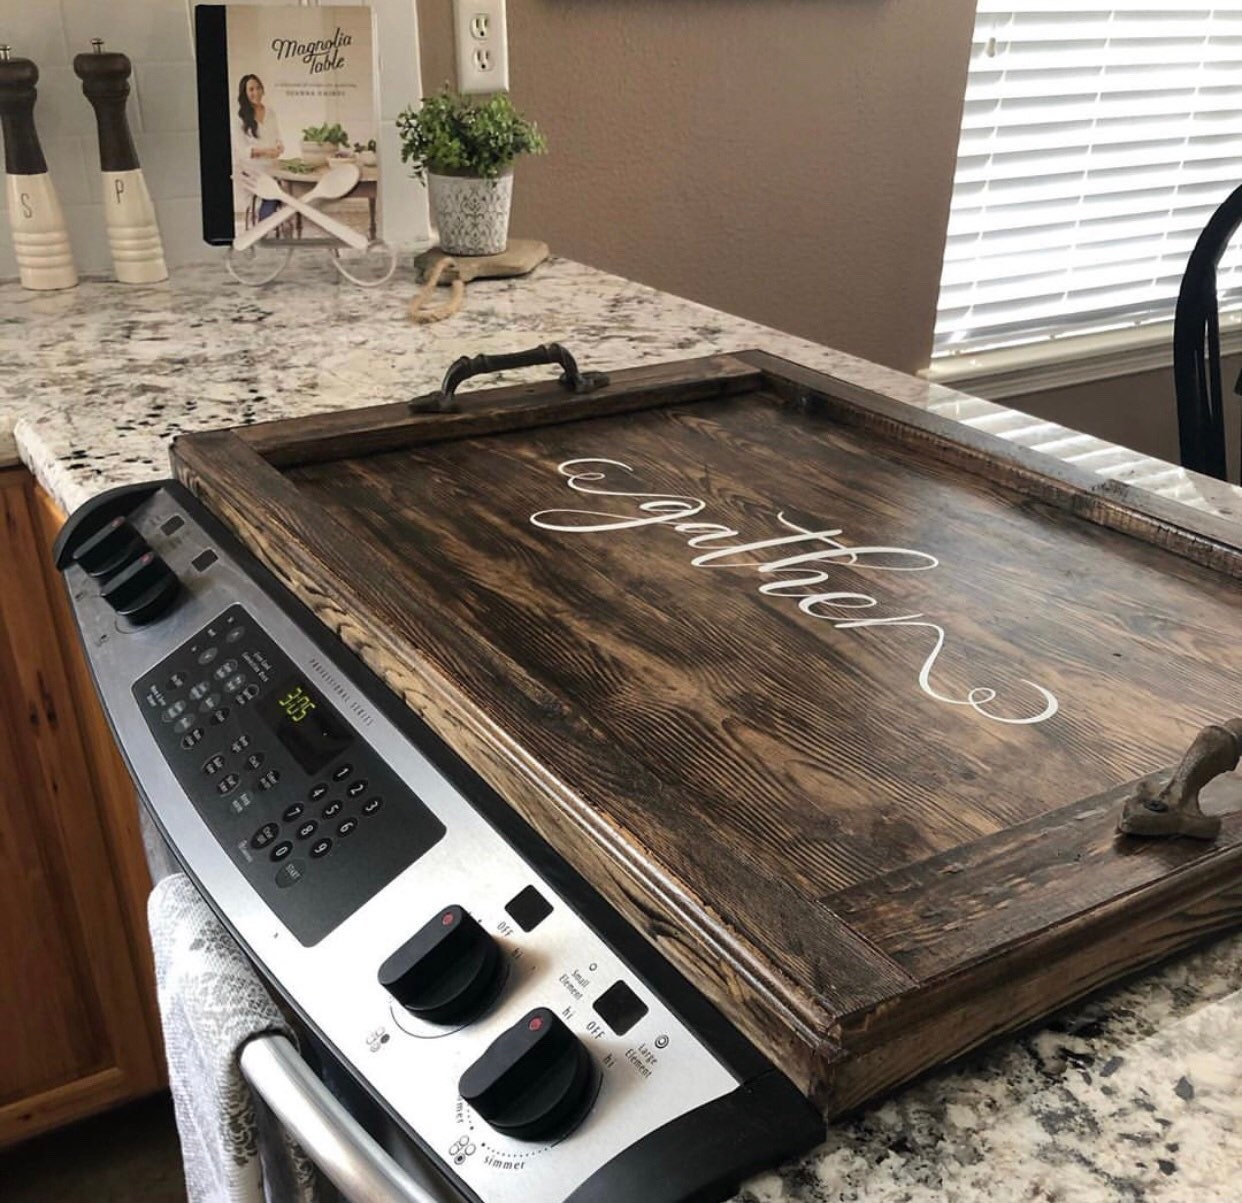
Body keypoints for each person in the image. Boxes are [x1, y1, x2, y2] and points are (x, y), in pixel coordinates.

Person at [233, 74, 284, 222]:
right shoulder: (238, 118)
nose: (256, 92)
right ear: (245, 93)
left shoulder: (270, 112)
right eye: (251, 89)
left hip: (271, 167)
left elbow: (277, 137)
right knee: (272, 194)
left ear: (263, 90)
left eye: (258, 88)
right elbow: (242, 151)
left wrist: (279, 146)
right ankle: (265, 224)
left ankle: (270, 223)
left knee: (287, 190)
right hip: (251, 171)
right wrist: (266, 151)